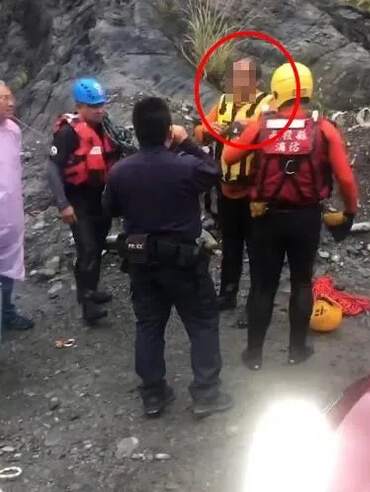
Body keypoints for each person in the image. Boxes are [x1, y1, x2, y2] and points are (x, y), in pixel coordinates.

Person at [103, 97, 233, 418]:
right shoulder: (186, 167)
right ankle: (206, 393)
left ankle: (153, 394)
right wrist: (187, 141)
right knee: (201, 324)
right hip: (184, 262)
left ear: (135, 130)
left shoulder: (120, 172)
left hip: (141, 261)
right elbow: (214, 171)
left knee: (148, 325)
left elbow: (111, 209)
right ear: (167, 130)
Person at [222, 63, 358, 369]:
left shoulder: (262, 124)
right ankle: (296, 351)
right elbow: (346, 180)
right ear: (307, 91)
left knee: (263, 286)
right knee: (301, 283)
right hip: (305, 218)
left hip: (265, 218)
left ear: (276, 91)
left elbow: (230, 156)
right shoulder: (323, 128)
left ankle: (254, 355)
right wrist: (350, 211)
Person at [194, 58, 272, 317]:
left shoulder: (266, 107)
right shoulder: (224, 103)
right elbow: (199, 131)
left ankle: (256, 305)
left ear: (256, 81)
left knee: (259, 250)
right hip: (227, 191)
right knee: (231, 245)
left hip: (254, 192)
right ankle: (228, 294)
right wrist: (208, 129)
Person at [47, 78, 120, 325]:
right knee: (87, 248)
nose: (99, 110)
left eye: (101, 104)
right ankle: (87, 304)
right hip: (78, 197)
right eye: (92, 106)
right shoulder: (68, 132)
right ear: (79, 106)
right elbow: (52, 168)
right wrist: (62, 204)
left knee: (97, 245)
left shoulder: (106, 126)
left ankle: (90, 289)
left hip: (101, 195)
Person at [0, 81, 34, 335]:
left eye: (10, 96)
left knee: (9, 267)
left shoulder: (12, 130)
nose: (11, 102)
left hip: (10, 213)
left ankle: (8, 313)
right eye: (4, 98)